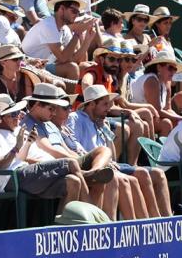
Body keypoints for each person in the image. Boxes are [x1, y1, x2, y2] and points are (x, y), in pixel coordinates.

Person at [0, 95, 91, 212]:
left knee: (73, 181)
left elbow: (16, 159)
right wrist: (16, 148)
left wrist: (24, 145)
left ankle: (63, 227)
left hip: (22, 175)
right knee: (71, 162)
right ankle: (93, 215)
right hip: (11, 179)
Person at [69, 85, 171, 218]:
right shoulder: (76, 118)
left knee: (153, 173)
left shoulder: (100, 121)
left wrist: (104, 129)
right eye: (105, 104)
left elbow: (111, 152)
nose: (109, 108)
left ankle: (160, 222)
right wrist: (100, 161)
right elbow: (73, 144)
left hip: (108, 163)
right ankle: (139, 225)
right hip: (94, 165)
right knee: (130, 180)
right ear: (92, 104)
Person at [22, 0, 98, 88]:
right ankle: (69, 102)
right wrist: (77, 33)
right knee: (72, 68)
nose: (76, 15)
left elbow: (74, 59)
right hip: (28, 67)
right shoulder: (49, 25)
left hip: (42, 67)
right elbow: (63, 58)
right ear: (62, 9)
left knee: (86, 67)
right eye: (74, 11)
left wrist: (88, 40)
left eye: (78, 13)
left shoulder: (64, 29)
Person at [130, 51, 182, 136]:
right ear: (159, 67)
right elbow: (157, 111)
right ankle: (161, 149)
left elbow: (168, 109)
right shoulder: (151, 80)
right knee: (166, 124)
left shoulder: (167, 83)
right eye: (170, 68)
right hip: (137, 115)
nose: (173, 72)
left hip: (153, 116)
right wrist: (179, 118)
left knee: (177, 123)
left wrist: (178, 119)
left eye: (175, 69)